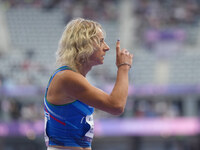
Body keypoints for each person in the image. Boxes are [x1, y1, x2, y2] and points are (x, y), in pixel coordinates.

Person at [44, 18, 133, 150]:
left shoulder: (73, 78)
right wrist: (123, 67)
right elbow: (116, 105)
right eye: (101, 41)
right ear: (84, 44)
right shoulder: (67, 78)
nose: (107, 47)